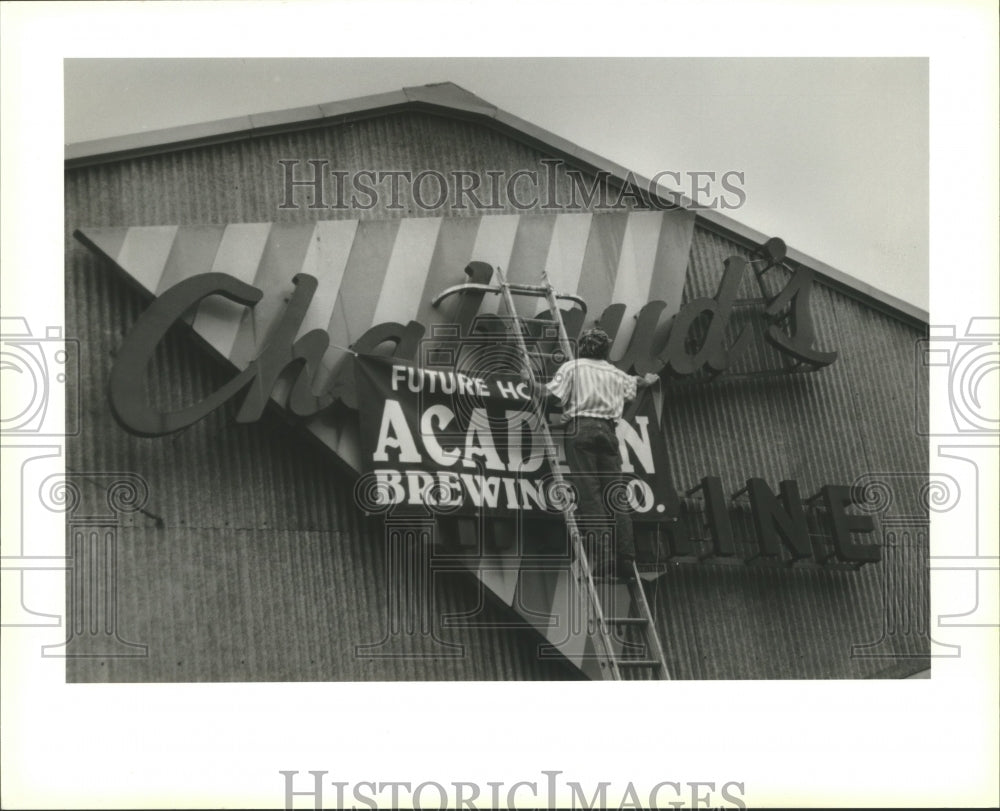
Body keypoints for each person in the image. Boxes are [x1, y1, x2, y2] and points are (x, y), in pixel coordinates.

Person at [544, 328, 659, 580]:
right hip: (607, 432)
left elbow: (551, 395)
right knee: (615, 495)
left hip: (580, 430)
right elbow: (634, 385)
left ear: (582, 347)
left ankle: (605, 558)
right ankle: (627, 558)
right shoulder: (615, 372)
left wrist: (530, 384)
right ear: (605, 349)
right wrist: (647, 381)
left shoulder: (572, 367)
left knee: (591, 497)